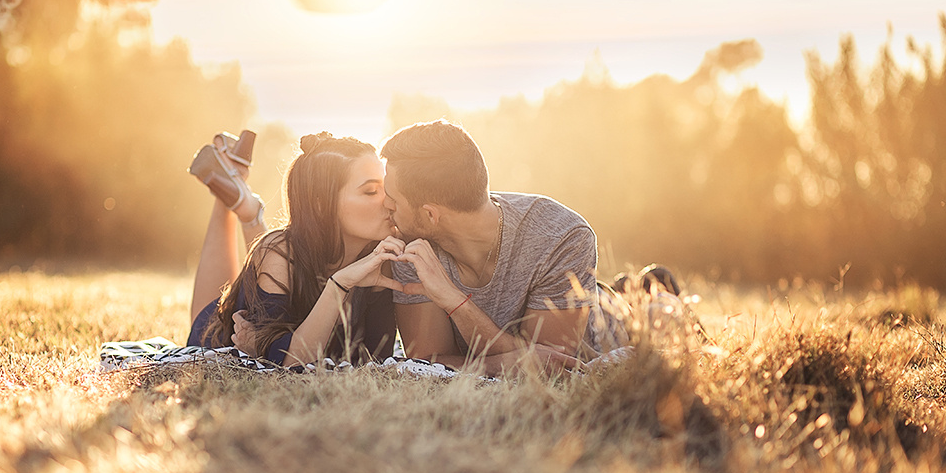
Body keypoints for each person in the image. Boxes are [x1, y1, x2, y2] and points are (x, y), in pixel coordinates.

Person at [381, 119, 630, 372]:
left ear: (430, 215)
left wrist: (454, 300)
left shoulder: (561, 237)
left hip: (607, 324)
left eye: (392, 200)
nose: (384, 205)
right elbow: (426, 362)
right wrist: (505, 363)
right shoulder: (412, 246)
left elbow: (551, 367)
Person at [186, 131, 404, 367]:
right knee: (215, 311)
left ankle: (246, 206)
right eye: (371, 191)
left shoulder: (382, 257)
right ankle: (237, 203)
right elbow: (289, 363)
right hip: (213, 335)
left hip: (271, 275)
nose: (389, 201)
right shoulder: (279, 254)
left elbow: (373, 359)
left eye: (387, 188)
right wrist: (340, 284)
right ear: (321, 204)